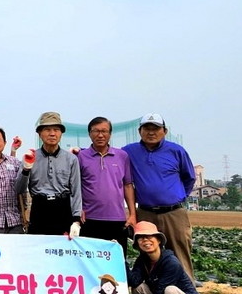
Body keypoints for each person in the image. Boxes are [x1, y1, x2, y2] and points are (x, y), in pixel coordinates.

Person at [123, 114, 197, 283]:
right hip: (145, 212)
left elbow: (189, 178)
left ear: (164, 131)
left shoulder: (176, 151)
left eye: (155, 128)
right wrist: (79, 151)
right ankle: (152, 291)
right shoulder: (129, 151)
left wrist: (178, 196)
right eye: (147, 128)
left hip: (173, 213)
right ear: (140, 131)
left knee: (179, 251)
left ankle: (187, 291)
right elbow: (108, 153)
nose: (151, 132)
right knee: (148, 252)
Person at [77, 117, 136, 257]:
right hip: (89, 219)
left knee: (116, 260)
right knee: (91, 260)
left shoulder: (122, 156)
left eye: (104, 131)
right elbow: (75, 186)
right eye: (96, 131)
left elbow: (127, 185)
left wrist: (132, 214)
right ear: (89, 133)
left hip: (117, 219)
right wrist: (78, 208)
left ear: (110, 134)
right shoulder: (81, 156)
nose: (100, 135)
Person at [16, 112, 82, 237]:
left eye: (56, 130)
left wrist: (76, 220)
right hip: (39, 209)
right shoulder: (31, 157)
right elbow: (19, 189)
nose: (52, 133)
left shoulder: (71, 159)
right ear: (40, 133)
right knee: (39, 247)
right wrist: (26, 169)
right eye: (47, 130)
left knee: (63, 247)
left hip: (63, 209)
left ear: (61, 133)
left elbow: (76, 191)